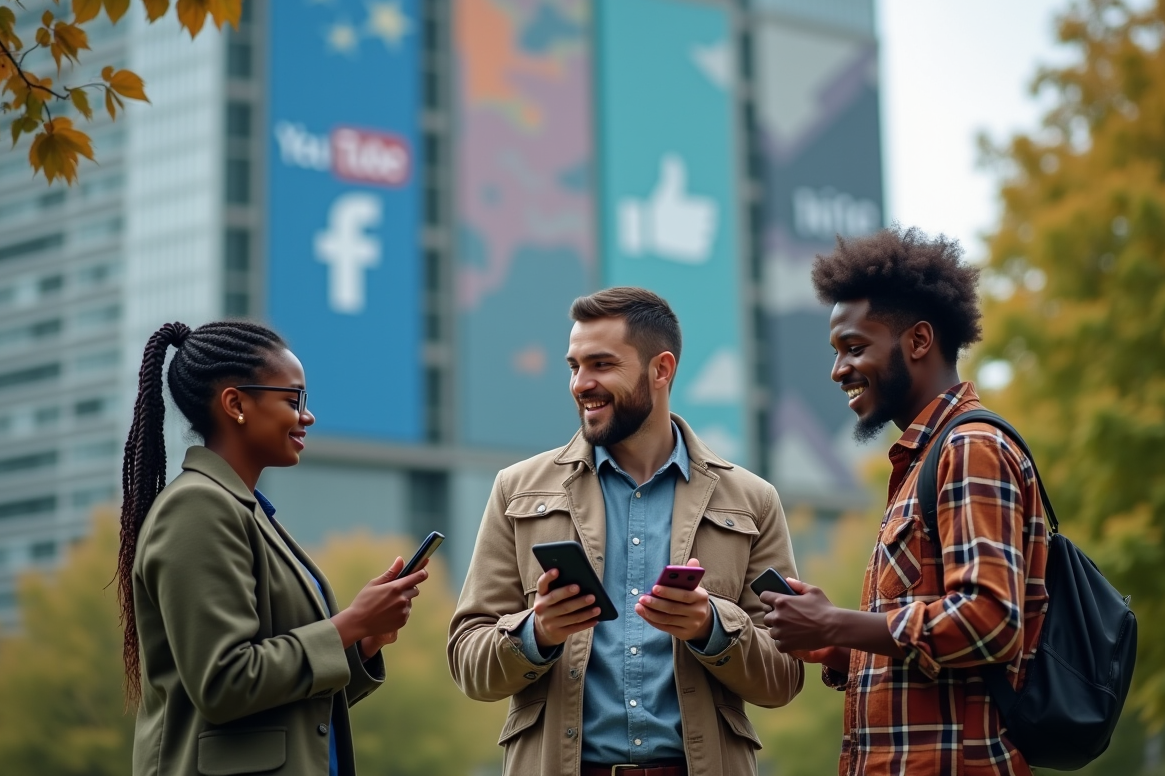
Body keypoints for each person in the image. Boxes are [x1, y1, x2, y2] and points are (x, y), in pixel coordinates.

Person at [448, 287, 803, 776]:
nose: (580, 383)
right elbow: (469, 663)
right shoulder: (516, 490)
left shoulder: (752, 500)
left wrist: (711, 627)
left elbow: (784, 677)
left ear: (661, 370)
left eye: (600, 365)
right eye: (573, 366)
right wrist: (538, 631)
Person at [761, 227, 1049, 775]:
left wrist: (838, 623)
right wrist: (843, 648)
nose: (838, 369)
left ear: (918, 341)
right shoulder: (924, 459)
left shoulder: (970, 448)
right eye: (836, 351)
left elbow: (990, 621)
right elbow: (934, 648)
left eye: (854, 347)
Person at [117, 320, 430, 776]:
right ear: (236, 403)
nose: (308, 416)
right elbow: (224, 683)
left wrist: (360, 644)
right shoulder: (197, 508)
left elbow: (283, 706)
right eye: (293, 399)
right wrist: (348, 624)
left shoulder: (246, 511)